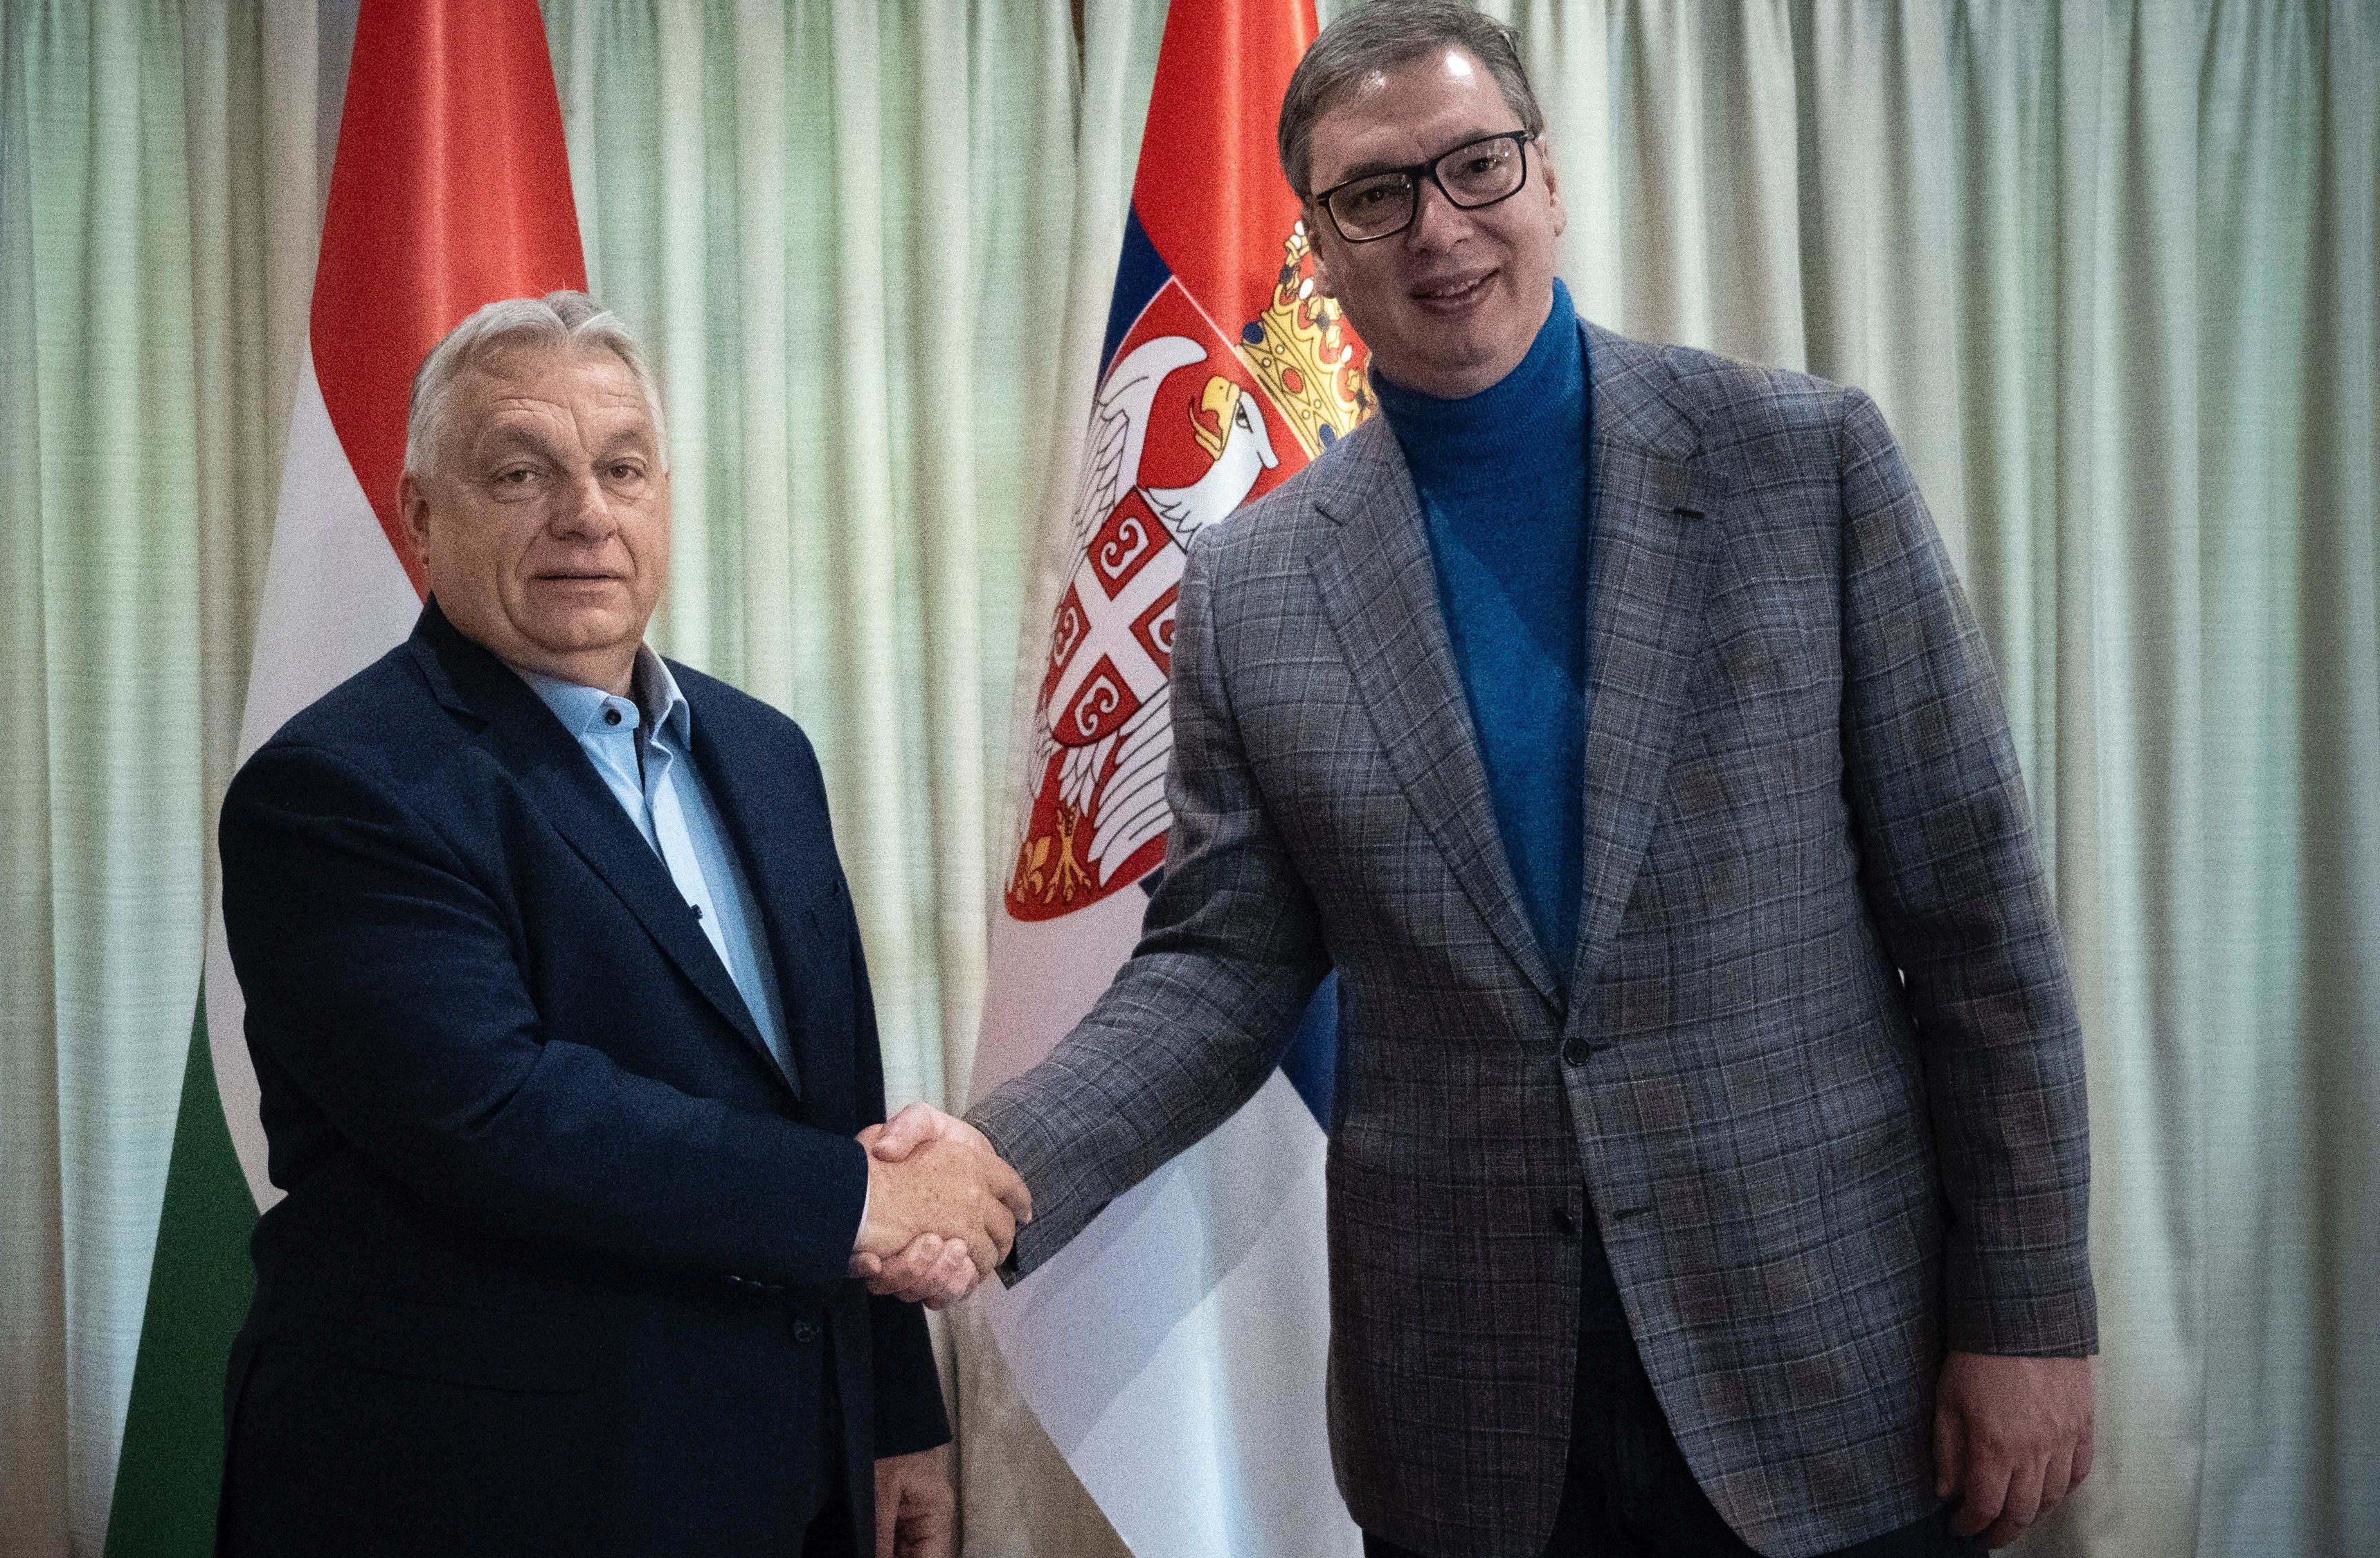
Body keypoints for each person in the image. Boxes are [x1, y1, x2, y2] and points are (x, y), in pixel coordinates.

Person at [865, 5, 2097, 1556]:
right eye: (1374, 195)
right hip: (1471, 1414)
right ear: (1319, 249)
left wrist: (2028, 1310)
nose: (1437, 228)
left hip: (1824, 1364)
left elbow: (1980, 928)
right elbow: (1223, 966)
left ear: (1547, 179)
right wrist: (997, 1156)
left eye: (1475, 166)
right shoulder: (1250, 586)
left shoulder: (1805, 464)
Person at [214, 292, 1026, 1558]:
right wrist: (864, 1196)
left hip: (787, 1468)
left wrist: (894, 1410)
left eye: (623, 468)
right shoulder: (339, 787)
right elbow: (499, 1113)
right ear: (420, 515)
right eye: (521, 472)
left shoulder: (765, 752)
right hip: (494, 1490)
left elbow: (831, 1094)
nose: (585, 512)